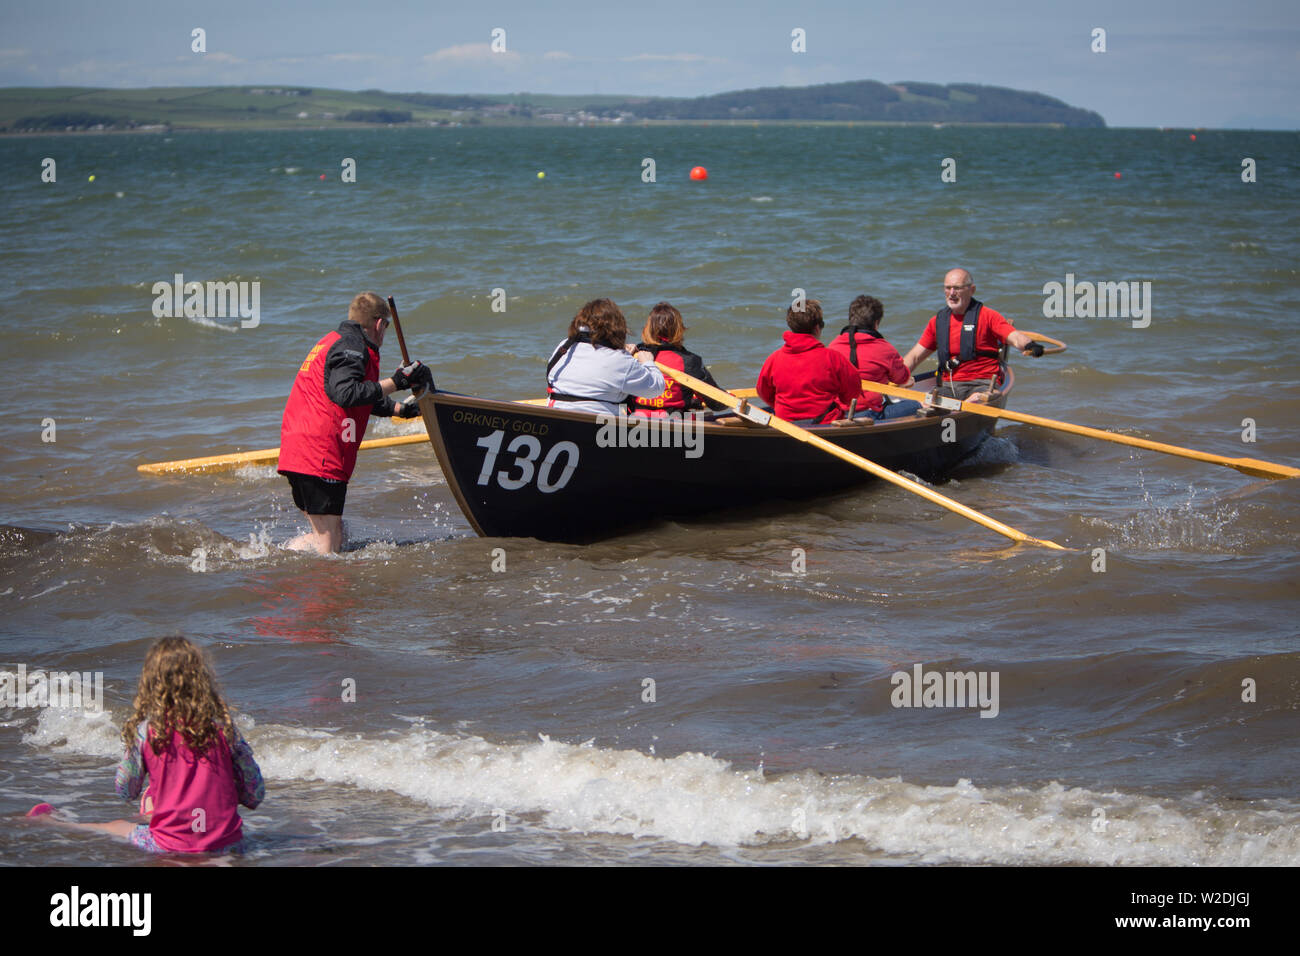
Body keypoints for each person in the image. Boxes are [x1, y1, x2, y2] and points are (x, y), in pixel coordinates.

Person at [26, 636, 264, 855]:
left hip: (168, 845)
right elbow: (255, 793)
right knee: (167, 799)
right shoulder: (224, 730)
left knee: (117, 825)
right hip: (227, 845)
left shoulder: (147, 732)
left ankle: (54, 824)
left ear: (152, 683)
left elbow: (125, 791)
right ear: (202, 680)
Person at [278, 292, 432, 553]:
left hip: (300, 452)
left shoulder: (335, 341)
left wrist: (401, 410)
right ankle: (322, 589)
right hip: (320, 456)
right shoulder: (352, 346)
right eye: (386, 327)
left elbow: (360, 396)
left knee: (336, 535)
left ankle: (275, 559)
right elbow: (345, 394)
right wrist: (397, 381)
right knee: (329, 543)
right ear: (379, 324)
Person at [900, 268, 1043, 405]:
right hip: (950, 386)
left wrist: (1030, 345)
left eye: (957, 288)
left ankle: (972, 405)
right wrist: (896, 375)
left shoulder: (988, 316)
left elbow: (1015, 337)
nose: (951, 293)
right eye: (947, 288)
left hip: (982, 384)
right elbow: (915, 356)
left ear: (972, 290)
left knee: (978, 399)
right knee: (925, 404)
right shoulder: (937, 322)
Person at [546, 298, 666, 416]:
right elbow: (656, 389)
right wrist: (648, 362)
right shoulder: (621, 361)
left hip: (555, 416)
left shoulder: (564, 346)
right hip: (595, 427)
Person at [756, 298, 862, 424]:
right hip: (824, 423)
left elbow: (763, 392)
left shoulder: (773, 359)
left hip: (787, 425)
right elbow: (853, 392)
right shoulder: (833, 358)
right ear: (817, 328)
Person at [827, 295, 923, 421]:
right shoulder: (884, 348)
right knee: (917, 405)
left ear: (851, 319)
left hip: (839, 413)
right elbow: (902, 378)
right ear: (876, 323)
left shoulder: (833, 346)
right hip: (870, 414)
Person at [630, 302, 727, 416]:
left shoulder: (633, 355)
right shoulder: (690, 361)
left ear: (647, 329)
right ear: (679, 330)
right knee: (707, 415)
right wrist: (728, 397)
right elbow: (717, 404)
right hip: (673, 426)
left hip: (634, 421)